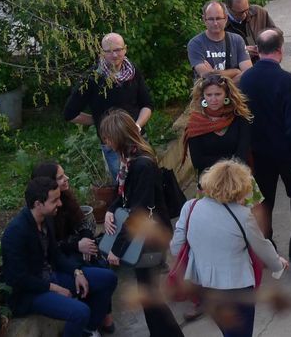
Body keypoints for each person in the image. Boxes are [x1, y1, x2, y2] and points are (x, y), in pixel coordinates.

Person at [170, 160, 288, 337]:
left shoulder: (190, 207)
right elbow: (262, 246)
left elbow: (175, 248)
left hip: (203, 287)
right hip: (236, 292)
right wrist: (278, 265)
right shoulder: (243, 215)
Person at [238, 28, 291, 267]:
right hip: (286, 153)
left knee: (264, 202)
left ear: (257, 51)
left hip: (258, 154)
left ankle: (267, 248)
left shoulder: (245, 80)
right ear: (280, 50)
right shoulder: (288, 82)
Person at [100, 111, 183, 336]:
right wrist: (111, 209)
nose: (105, 142)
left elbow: (139, 210)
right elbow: (125, 195)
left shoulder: (141, 165)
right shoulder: (130, 161)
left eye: (107, 137)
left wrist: (117, 248)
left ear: (119, 136)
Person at [2, 177, 118, 337]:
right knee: (80, 312)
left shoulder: (46, 219)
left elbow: (56, 255)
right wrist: (54, 288)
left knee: (108, 278)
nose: (60, 204)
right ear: (38, 204)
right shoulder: (15, 233)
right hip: (31, 292)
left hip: (53, 276)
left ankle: (88, 329)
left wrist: (77, 272)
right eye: (54, 200)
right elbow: (18, 279)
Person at [30, 162, 115, 333]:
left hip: (72, 252)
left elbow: (83, 222)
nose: (66, 178)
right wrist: (77, 246)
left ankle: (97, 319)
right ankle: (96, 320)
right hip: (61, 261)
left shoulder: (65, 198)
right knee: (98, 272)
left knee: (101, 265)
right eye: (60, 177)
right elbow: (52, 249)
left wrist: (86, 239)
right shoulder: (40, 215)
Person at [63, 32, 152, 181]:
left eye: (117, 50)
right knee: (124, 186)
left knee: (149, 177)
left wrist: (136, 126)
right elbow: (69, 114)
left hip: (138, 138)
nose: (114, 55)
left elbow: (147, 105)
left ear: (125, 49)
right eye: (108, 51)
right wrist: (99, 121)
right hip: (113, 145)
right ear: (101, 53)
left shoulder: (133, 72)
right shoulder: (92, 78)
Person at [182, 73, 252, 177]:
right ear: (203, 96)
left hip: (238, 177)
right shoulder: (195, 123)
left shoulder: (239, 117)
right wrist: (230, 160)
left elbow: (242, 154)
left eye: (218, 94)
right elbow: (198, 161)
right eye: (209, 95)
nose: (213, 99)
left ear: (226, 95)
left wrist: (219, 162)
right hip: (209, 181)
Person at [189, 0, 253, 84]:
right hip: (209, 96)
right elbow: (206, 75)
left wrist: (213, 72)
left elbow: (248, 73)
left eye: (218, 18)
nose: (215, 23)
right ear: (204, 20)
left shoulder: (237, 40)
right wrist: (236, 72)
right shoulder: (196, 43)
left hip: (234, 95)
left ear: (226, 18)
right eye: (211, 19)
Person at [224, 0, 278, 64]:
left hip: (263, 63)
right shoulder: (221, 23)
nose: (245, 14)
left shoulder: (259, 12)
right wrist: (242, 52)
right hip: (239, 69)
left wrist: (265, 43)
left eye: (246, 9)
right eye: (240, 13)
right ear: (228, 8)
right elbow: (218, 54)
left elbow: (276, 34)